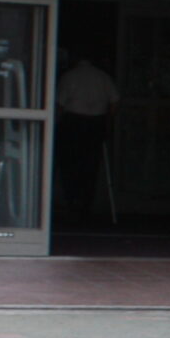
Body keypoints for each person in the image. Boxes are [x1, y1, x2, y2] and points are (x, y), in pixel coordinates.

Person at [55, 55, 120, 223]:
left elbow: (60, 104)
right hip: (95, 122)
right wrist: (108, 122)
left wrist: (56, 124)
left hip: (73, 122)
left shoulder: (69, 76)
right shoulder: (103, 77)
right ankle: (86, 203)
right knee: (91, 164)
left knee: (69, 163)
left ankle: (72, 200)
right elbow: (114, 101)